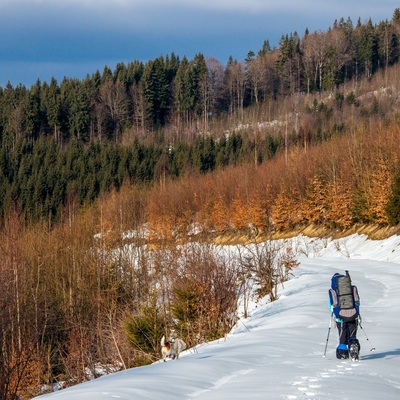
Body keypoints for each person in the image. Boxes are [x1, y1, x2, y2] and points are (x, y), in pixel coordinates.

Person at [328, 271, 361, 360]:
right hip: (353, 315)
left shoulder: (333, 291)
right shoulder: (352, 288)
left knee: (342, 338)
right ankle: (353, 345)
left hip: (340, 318)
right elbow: (358, 301)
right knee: (352, 335)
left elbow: (331, 306)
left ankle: (343, 354)